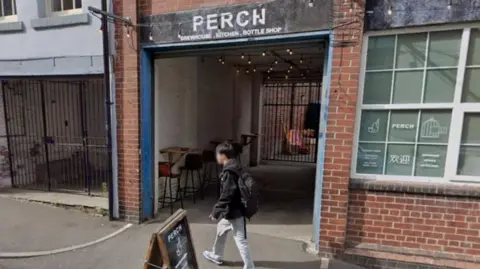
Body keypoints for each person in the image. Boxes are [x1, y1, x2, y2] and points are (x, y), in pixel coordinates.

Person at [203, 141, 255, 269]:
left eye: (217, 154)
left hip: (235, 211)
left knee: (240, 240)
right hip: (231, 211)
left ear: (223, 155)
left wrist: (216, 211)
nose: (216, 157)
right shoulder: (236, 166)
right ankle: (217, 255)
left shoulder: (229, 172)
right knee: (221, 229)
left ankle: (249, 266)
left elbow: (227, 194)